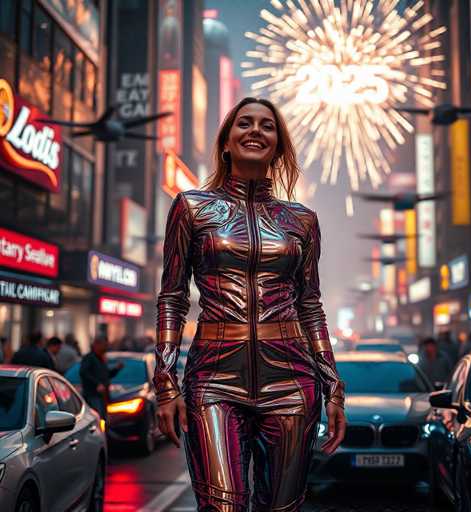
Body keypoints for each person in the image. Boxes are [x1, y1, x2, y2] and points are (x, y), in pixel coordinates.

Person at [154, 97, 346, 511]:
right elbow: (172, 298)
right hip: (213, 380)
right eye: (245, 123)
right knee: (222, 506)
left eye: (267, 126)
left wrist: (333, 388)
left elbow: (310, 305)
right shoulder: (191, 208)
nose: (256, 130)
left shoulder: (302, 220)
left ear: (278, 146)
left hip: (292, 381)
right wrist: (165, 383)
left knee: (281, 506)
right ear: (226, 142)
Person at [80, 337, 123, 419]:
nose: (106, 348)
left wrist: (116, 369)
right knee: (97, 417)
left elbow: (106, 375)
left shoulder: (101, 359)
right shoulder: (89, 358)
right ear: (96, 345)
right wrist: (97, 384)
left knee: (103, 417)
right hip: (93, 395)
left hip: (102, 395)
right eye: (104, 345)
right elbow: (84, 373)